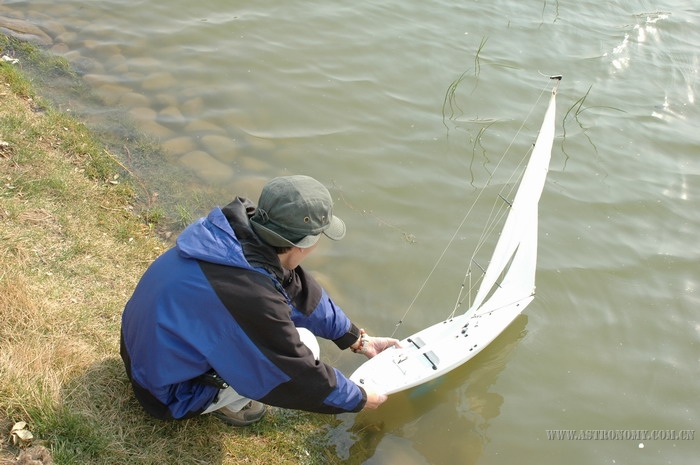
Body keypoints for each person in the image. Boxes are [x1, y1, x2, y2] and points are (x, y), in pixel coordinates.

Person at [120, 175, 399, 426]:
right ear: (305, 243)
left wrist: (356, 339)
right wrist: (359, 398)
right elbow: (296, 375)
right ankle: (229, 406)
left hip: (139, 355)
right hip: (166, 393)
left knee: (257, 339)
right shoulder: (249, 295)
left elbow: (301, 294)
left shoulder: (233, 238)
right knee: (305, 346)